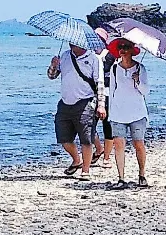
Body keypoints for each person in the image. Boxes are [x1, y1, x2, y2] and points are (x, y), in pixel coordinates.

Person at [48, 31, 105, 179]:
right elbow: (52, 76)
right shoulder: (65, 56)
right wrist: (53, 66)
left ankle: (85, 170)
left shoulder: (94, 59)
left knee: (86, 138)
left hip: (85, 101)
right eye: (70, 40)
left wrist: (101, 105)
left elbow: (100, 83)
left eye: (75, 41)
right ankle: (76, 160)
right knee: (63, 138)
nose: (71, 43)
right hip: (65, 102)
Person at [106, 37, 150, 187]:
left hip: (137, 112)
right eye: (120, 47)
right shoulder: (114, 68)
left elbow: (145, 91)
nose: (122, 49)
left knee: (138, 144)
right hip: (118, 112)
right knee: (118, 144)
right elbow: (112, 90)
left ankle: (142, 174)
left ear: (132, 50)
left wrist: (137, 81)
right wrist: (110, 112)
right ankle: (121, 178)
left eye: (126, 46)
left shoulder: (140, 68)